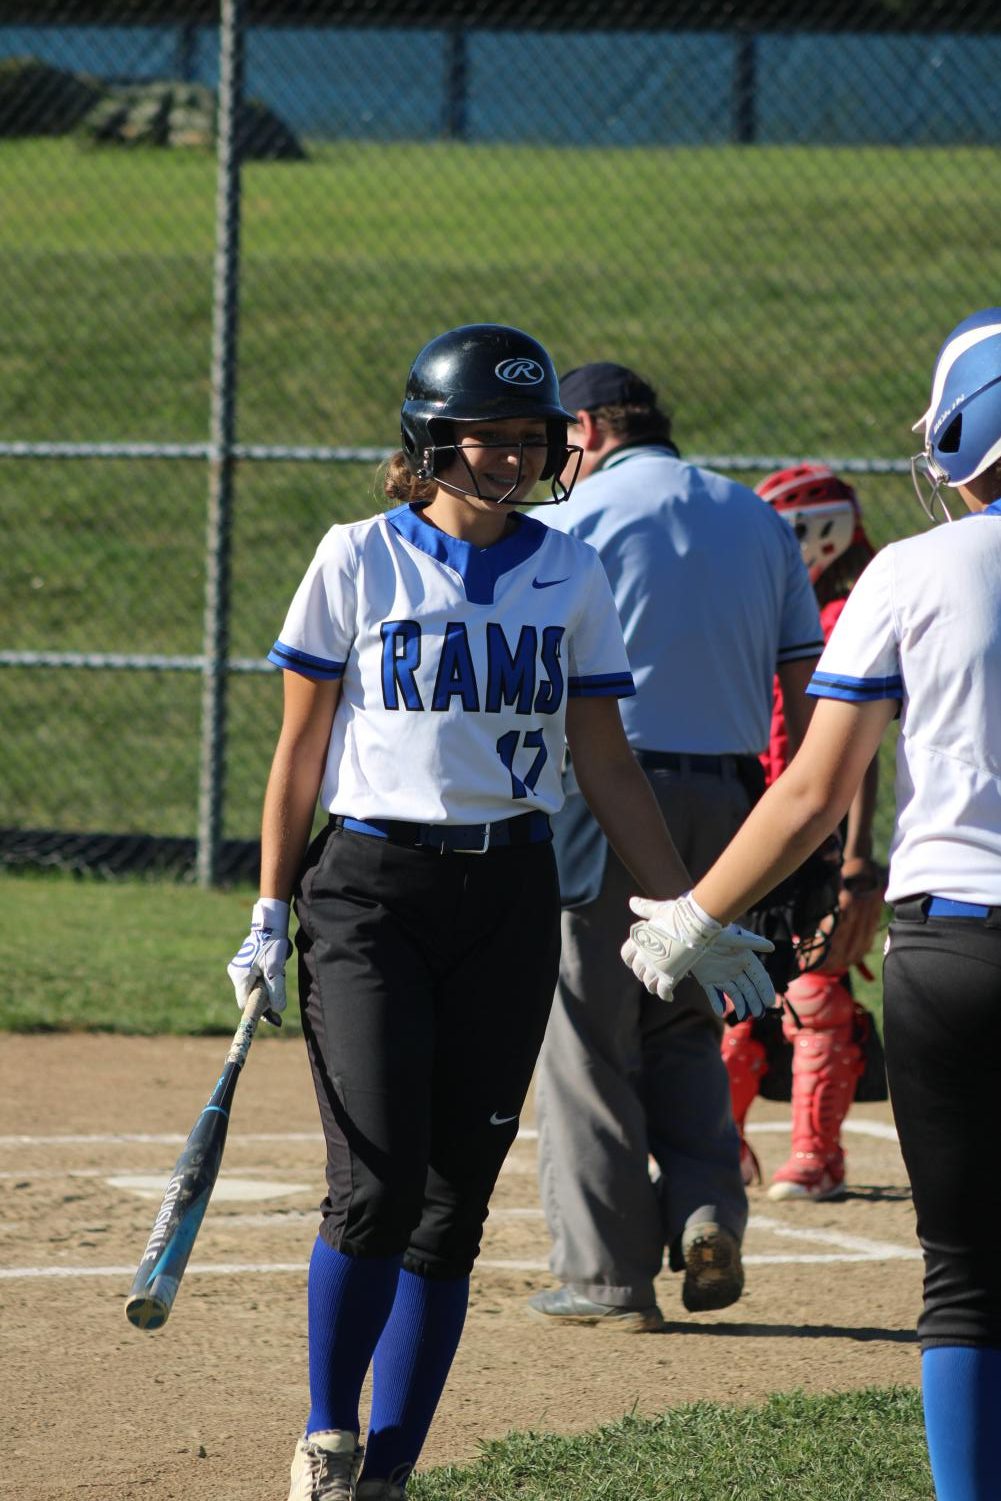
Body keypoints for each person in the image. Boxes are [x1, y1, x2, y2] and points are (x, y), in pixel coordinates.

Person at [226, 324, 774, 1501]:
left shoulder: (567, 567)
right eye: (492, 437)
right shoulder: (356, 558)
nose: (516, 458)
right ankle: (328, 1434)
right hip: (370, 894)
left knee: (450, 1207)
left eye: (532, 438)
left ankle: (394, 1468)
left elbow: (604, 759)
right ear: (430, 440)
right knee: (373, 1185)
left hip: (513, 891)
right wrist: (270, 911)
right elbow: (295, 753)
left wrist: (680, 905)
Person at [624, 307, 1001, 1501]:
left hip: (958, 948)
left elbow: (808, 790)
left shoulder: (915, 568)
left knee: (965, 1278)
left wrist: (688, 913)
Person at [525, 361, 824, 1333]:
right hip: (737, 805)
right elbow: (804, 683)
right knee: (687, 1020)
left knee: (585, 1030)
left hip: (605, 791)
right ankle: (703, 1209)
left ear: (585, 426)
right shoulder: (754, 515)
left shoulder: (571, 522)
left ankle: (605, 1276)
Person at [721, 465, 888, 1202]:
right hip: (754, 827)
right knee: (730, 997)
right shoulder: (771, 612)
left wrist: (853, 859)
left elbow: (857, 759)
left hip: (811, 839)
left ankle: (817, 1154)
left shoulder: (846, 616)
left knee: (816, 995)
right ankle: (718, 1145)